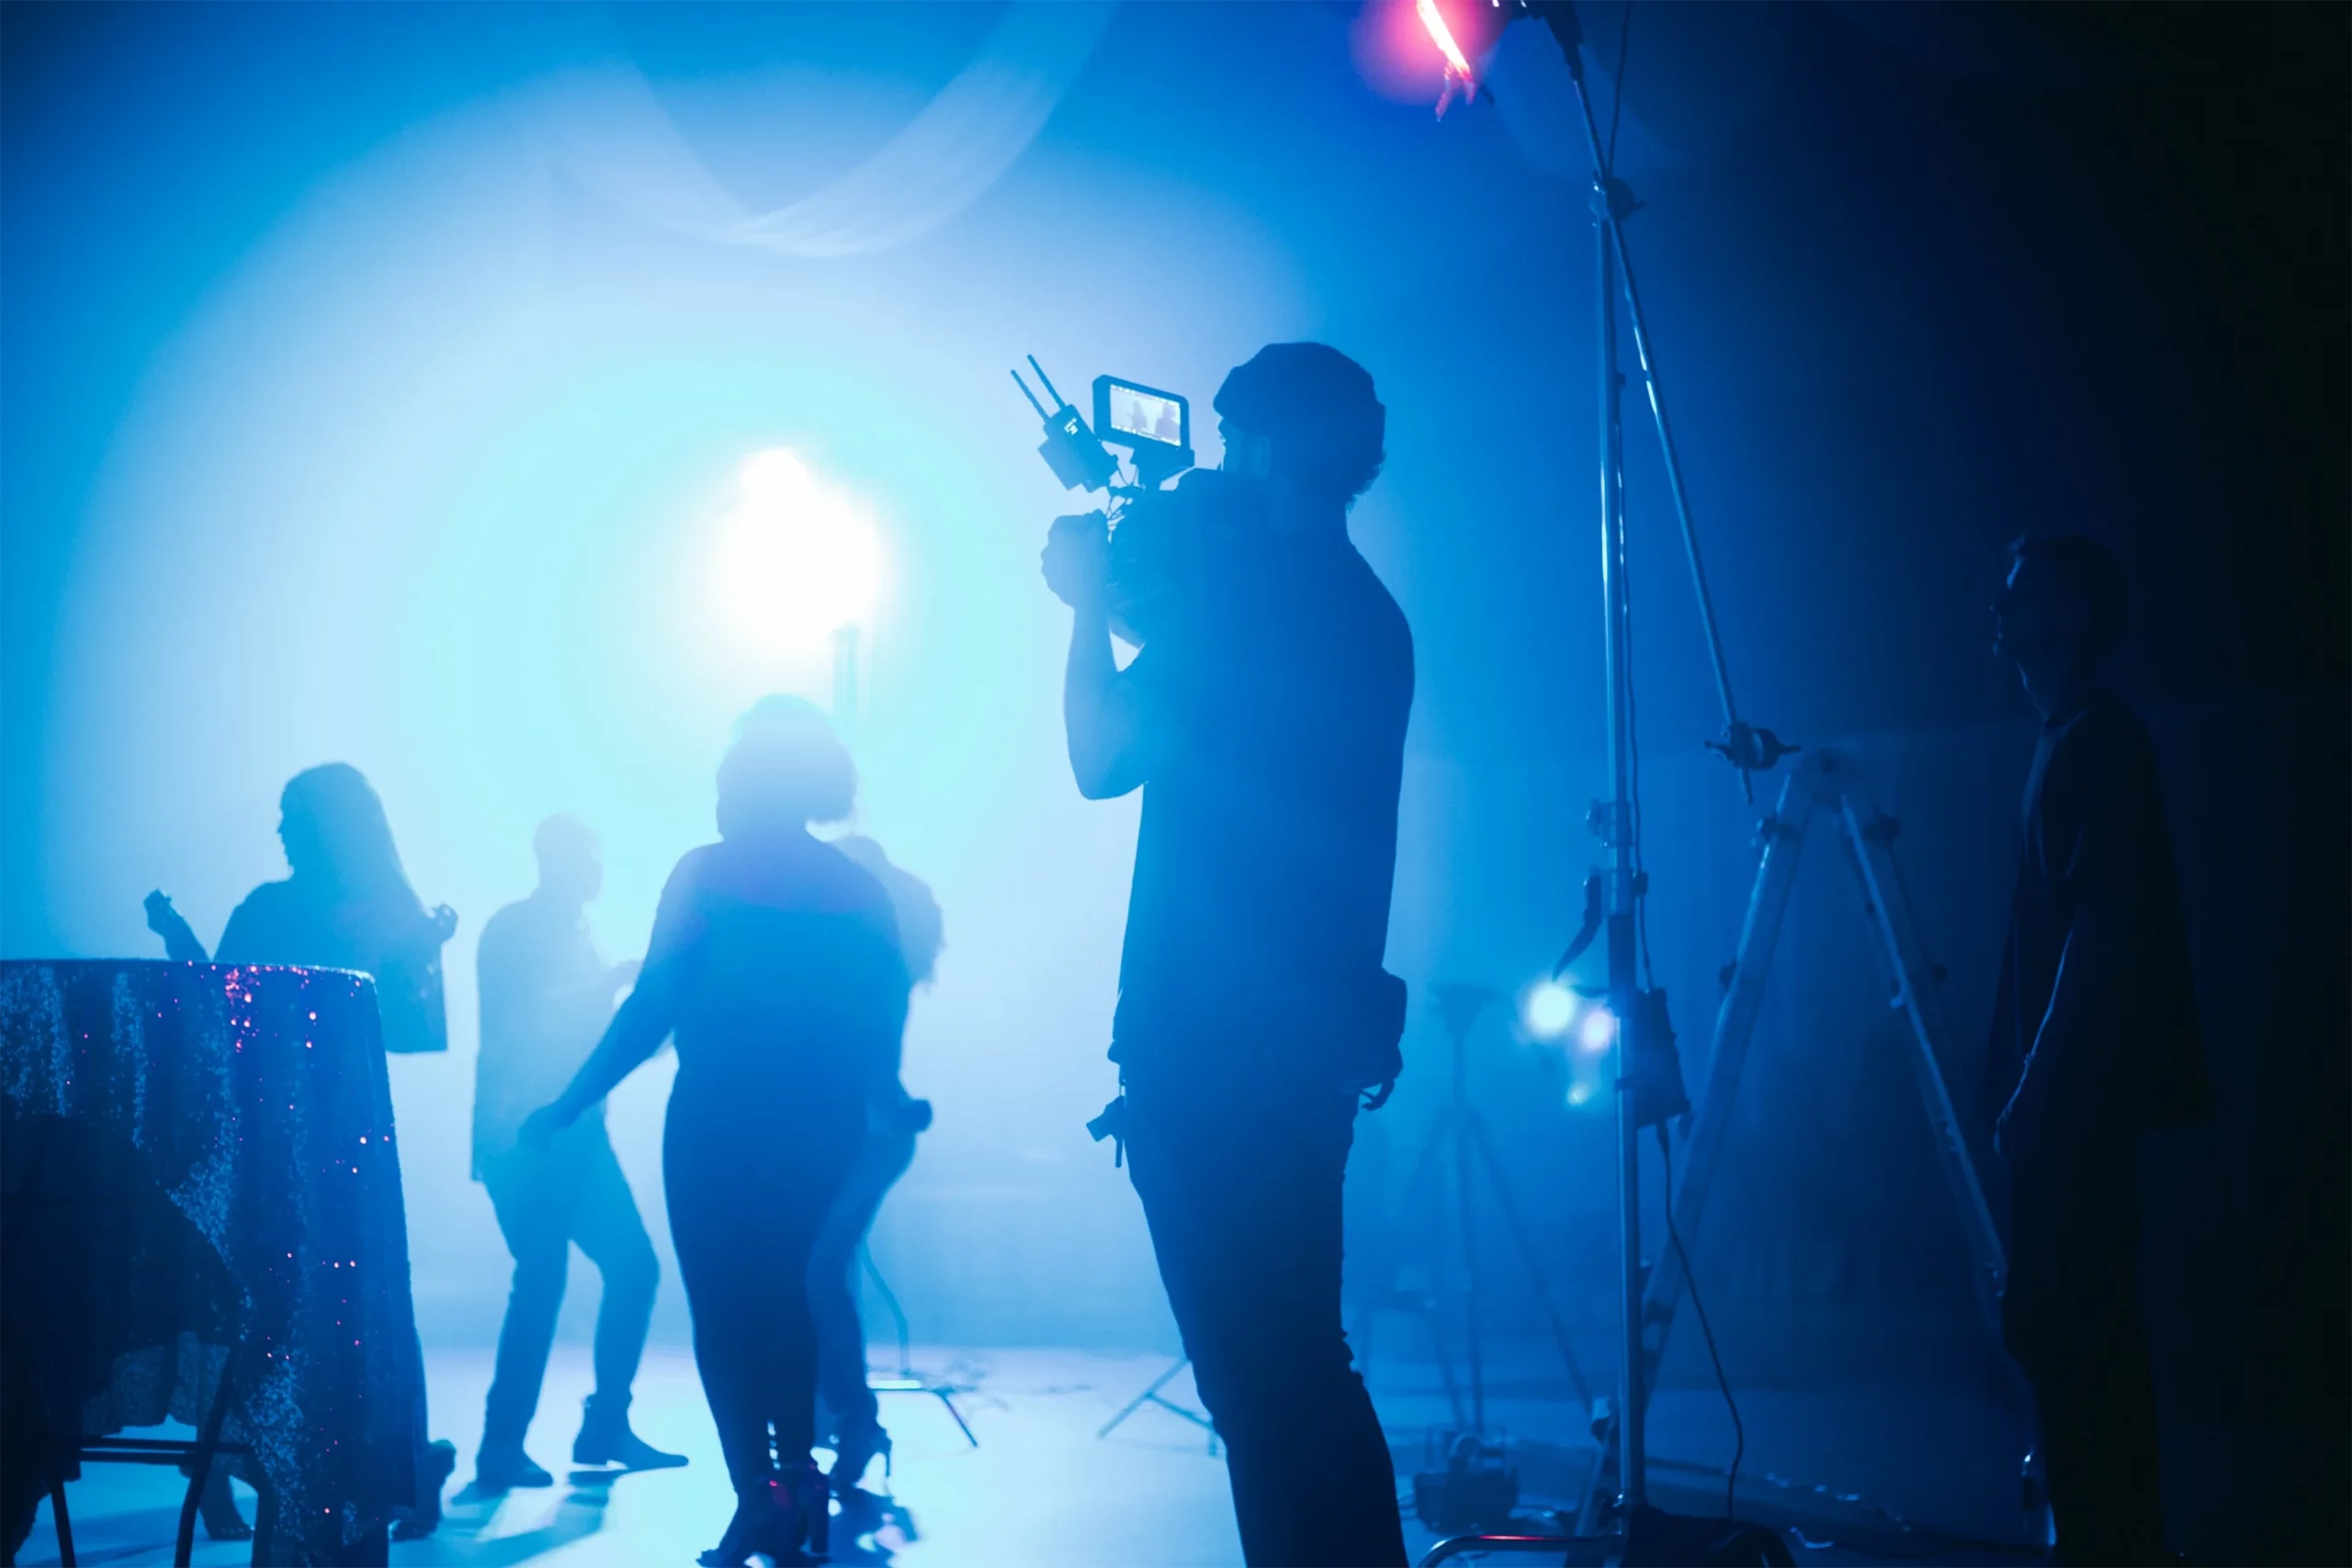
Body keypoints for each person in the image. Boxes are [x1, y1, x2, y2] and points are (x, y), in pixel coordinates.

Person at [1041, 342, 1415, 1568]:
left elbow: (1103, 754)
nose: (1215, 461)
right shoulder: (1361, 610)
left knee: (1257, 1388)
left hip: (1209, 1049)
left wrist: (1085, 601)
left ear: (1267, 443)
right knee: (1303, 1366)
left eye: (1228, 437)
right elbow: (1219, 690)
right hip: (1306, 1045)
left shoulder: (1248, 603)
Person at [521, 698, 908, 1568]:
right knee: (788, 1292)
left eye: (728, 779)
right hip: (819, 1122)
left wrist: (571, 1099)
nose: (719, 795)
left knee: (724, 1307)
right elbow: (881, 1013)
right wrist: (880, 1096)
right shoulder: (856, 889)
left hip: (718, 1119)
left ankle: (755, 1496)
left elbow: (652, 1004)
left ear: (748, 786)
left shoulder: (705, 874)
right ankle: (796, 1478)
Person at [145, 762, 461, 1541]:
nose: (281, 829)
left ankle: (379, 1465)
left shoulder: (323, 909)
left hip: (327, 1132)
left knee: (314, 1295)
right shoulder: (297, 907)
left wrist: (418, 950)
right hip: (297, 1132)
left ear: (330, 825)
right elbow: (222, 1000)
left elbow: (408, 1028)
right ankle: (366, 1467)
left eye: (295, 814)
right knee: (293, 1296)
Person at [1985, 536, 2211, 1568]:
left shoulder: (2100, 744)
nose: (2002, 605)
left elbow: (2100, 925)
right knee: (2061, 1331)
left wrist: (2035, 1088)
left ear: (2073, 614)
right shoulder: (2065, 740)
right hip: (2065, 1107)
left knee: (2083, 1338)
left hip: (2078, 1107)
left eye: (2024, 590)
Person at [469, 815, 685, 1492]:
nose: (597, 868)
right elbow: (524, 1021)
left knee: (628, 1268)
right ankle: (506, 1444)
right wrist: (614, 989)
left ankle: (596, 1426)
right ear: (557, 860)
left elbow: (597, 1039)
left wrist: (659, 1021)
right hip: (524, 1135)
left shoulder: (579, 936)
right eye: (588, 855)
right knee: (545, 1277)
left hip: (575, 1137)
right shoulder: (513, 931)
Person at [804, 833, 941, 1496]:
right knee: (825, 1272)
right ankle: (839, 1417)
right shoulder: (879, 963)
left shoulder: (868, 968)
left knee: (816, 1271)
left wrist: (892, 1105)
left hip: (866, 1133)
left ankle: (850, 1418)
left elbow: (873, 1058)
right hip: (868, 1133)